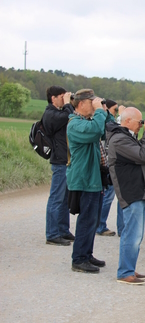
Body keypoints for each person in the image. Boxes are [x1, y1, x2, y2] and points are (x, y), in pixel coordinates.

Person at [106, 107, 145, 285]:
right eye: (139, 122)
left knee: (136, 234)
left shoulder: (126, 137)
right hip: (131, 191)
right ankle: (125, 272)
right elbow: (144, 155)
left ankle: (128, 267)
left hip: (136, 190)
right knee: (132, 234)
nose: (141, 125)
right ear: (127, 121)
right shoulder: (120, 139)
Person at [66, 89, 113, 273]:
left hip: (93, 178)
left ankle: (87, 254)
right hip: (84, 179)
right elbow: (95, 132)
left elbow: (106, 129)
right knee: (86, 220)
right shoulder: (75, 124)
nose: (94, 105)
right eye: (91, 102)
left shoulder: (88, 121)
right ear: (81, 103)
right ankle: (78, 259)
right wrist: (100, 112)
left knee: (93, 219)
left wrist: (104, 111)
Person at [42, 86, 75, 246]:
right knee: (56, 198)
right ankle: (52, 234)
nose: (64, 99)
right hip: (59, 161)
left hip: (65, 160)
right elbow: (68, 116)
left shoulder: (59, 112)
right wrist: (68, 103)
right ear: (53, 98)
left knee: (64, 199)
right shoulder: (50, 114)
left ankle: (62, 230)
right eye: (61, 97)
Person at [96, 99, 122, 237]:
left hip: (109, 160)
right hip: (108, 161)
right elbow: (110, 126)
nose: (116, 112)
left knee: (110, 194)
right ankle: (100, 225)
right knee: (108, 194)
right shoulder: (106, 120)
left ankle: (101, 224)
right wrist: (107, 112)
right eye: (115, 109)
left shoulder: (106, 118)